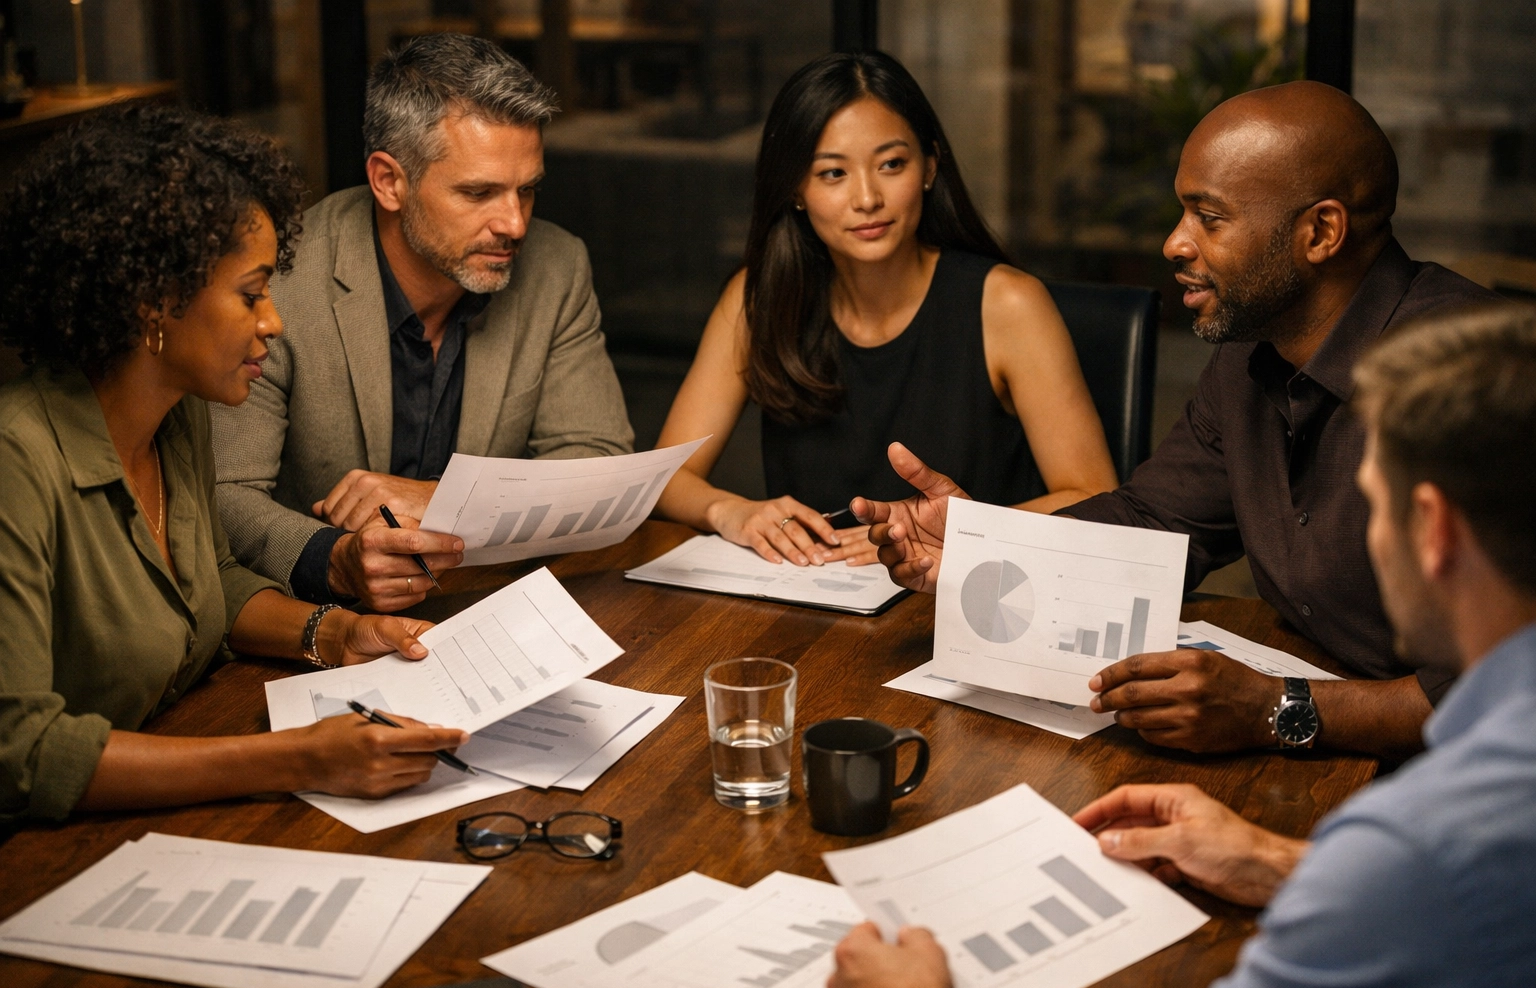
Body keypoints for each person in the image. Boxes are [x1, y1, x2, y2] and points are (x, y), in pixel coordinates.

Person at [828, 303, 1536, 988]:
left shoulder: (1427, 840)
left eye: (1373, 505)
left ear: (1435, 530)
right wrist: (1284, 867)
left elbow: (1441, 877)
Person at [856, 81, 1499, 759]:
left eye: (1209, 217)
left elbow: (1506, 689)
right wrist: (986, 546)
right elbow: (1154, 522)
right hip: (1336, 755)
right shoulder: (1254, 353)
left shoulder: (1477, 384)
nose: (1173, 243)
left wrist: (1273, 708)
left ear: (1321, 232)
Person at [0, 105, 470, 828]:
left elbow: (205, 585)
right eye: (251, 294)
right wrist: (294, 759)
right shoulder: (16, 462)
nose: (273, 320)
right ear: (153, 301)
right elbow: (22, 752)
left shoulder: (175, 414)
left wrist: (337, 633)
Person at [212, 33, 633, 612]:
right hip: (309, 623)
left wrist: (442, 502)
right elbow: (221, 492)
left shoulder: (557, 267)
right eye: (479, 192)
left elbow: (600, 462)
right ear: (389, 181)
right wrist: (332, 559)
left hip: (489, 609)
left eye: (527, 190)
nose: (514, 223)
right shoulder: (280, 282)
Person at [651, 51, 1116, 568]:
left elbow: (1092, 497)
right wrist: (729, 510)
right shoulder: (757, 298)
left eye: (891, 164)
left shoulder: (1008, 303)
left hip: (973, 601)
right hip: (815, 604)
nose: (867, 197)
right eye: (832, 173)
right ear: (797, 191)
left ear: (929, 167)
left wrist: (956, 536)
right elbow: (667, 478)